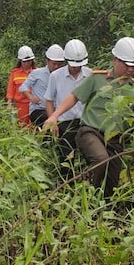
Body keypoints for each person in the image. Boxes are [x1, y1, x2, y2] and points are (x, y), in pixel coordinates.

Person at [45, 37, 134, 197]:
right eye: (127, 65)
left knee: (112, 180)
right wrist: (54, 116)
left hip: (115, 139)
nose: (131, 69)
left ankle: (103, 211)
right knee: (101, 159)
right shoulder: (97, 79)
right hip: (90, 131)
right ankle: (82, 191)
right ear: (115, 59)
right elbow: (74, 97)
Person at [44, 39, 92, 179]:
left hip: (85, 122)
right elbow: (49, 100)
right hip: (65, 123)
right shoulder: (56, 76)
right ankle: (67, 185)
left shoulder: (90, 75)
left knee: (89, 157)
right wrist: (53, 120)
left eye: (79, 65)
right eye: (73, 65)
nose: (76, 68)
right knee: (66, 159)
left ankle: (89, 183)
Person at [19, 44, 65, 128]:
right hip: (39, 110)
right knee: (49, 120)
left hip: (56, 111)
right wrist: (31, 97)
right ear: (47, 61)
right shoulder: (37, 73)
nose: (56, 67)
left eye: (59, 64)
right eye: (54, 64)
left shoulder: (63, 75)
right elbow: (23, 87)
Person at [6, 45, 36, 126]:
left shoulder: (37, 72)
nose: (27, 63)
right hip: (20, 106)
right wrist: (9, 103)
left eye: (29, 61)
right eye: (24, 61)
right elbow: (11, 89)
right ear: (20, 61)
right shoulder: (15, 73)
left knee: (34, 128)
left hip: (34, 105)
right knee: (21, 127)